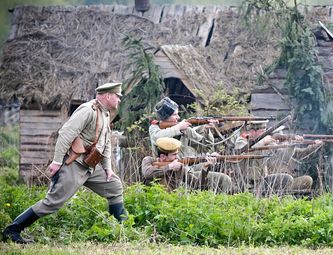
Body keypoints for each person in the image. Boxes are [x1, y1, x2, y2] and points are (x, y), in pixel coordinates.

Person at [3, 82, 127, 244]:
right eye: (117, 96)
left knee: (114, 186)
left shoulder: (106, 113)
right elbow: (65, 134)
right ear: (108, 95)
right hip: (73, 164)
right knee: (52, 203)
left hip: (90, 165)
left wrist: (108, 168)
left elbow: (106, 142)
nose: (119, 100)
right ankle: (12, 230)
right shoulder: (87, 110)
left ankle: (121, 232)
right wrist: (56, 161)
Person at [234, 120, 323, 196]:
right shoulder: (241, 141)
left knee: (306, 180)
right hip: (250, 185)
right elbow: (241, 151)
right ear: (253, 131)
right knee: (286, 178)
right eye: (263, 131)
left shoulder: (267, 143)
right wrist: (263, 142)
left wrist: (294, 144)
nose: (265, 134)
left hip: (266, 181)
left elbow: (284, 156)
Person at [141, 137, 232, 193]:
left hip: (170, 204)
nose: (177, 157)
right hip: (152, 200)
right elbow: (147, 173)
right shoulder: (148, 160)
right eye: (174, 155)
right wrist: (169, 167)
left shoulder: (179, 167)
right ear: (163, 156)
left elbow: (197, 185)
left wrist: (205, 168)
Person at [148, 97, 215, 156]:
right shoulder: (154, 127)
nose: (178, 117)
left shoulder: (185, 129)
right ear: (165, 117)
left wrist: (206, 129)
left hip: (184, 169)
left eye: (178, 114)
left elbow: (205, 148)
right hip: (165, 168)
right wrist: (178, 128)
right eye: (175, 115)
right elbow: (157, 138)